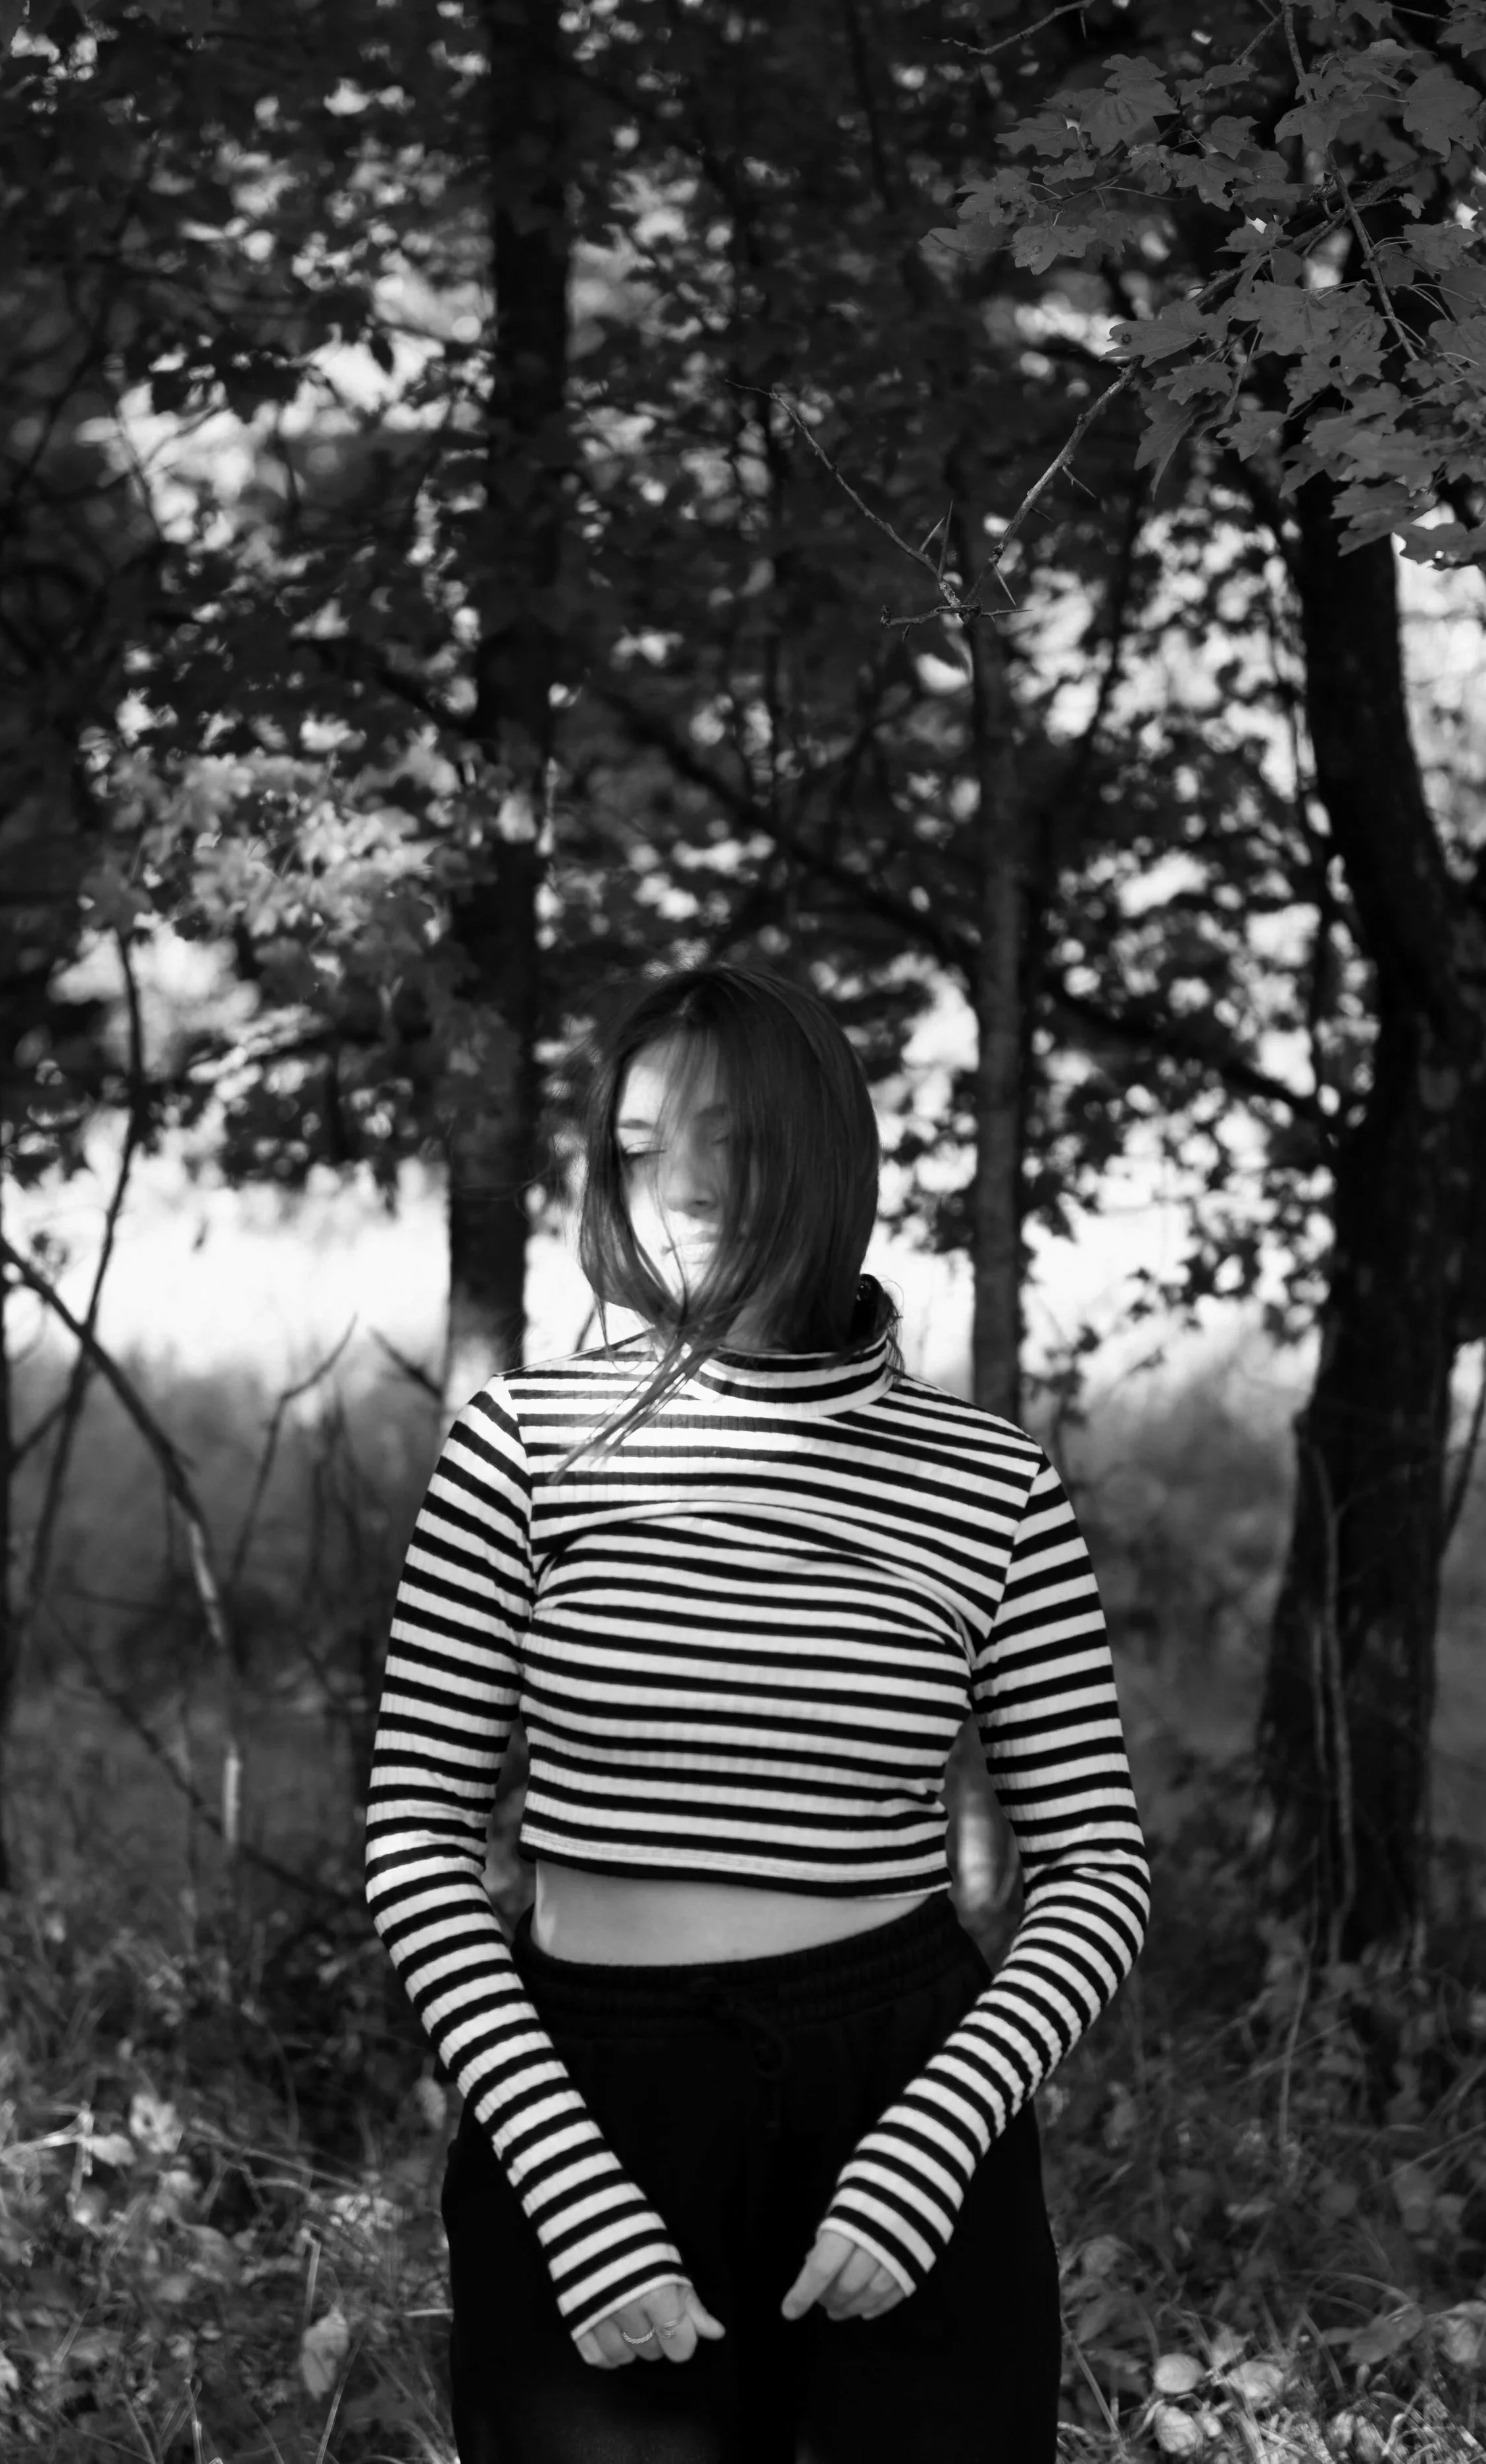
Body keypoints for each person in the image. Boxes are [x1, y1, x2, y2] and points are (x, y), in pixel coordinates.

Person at [366, 963, 1150, 2464]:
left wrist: (932, 2142)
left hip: (906, 2086)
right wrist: (567, 2178)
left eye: (728, 1135)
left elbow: (1097, 1869)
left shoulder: (990, 1486)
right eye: (642, 1145)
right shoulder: (522, 1449)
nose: (685, 1187)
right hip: (585, 2093)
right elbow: (413, 1836)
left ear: (820, 1144)